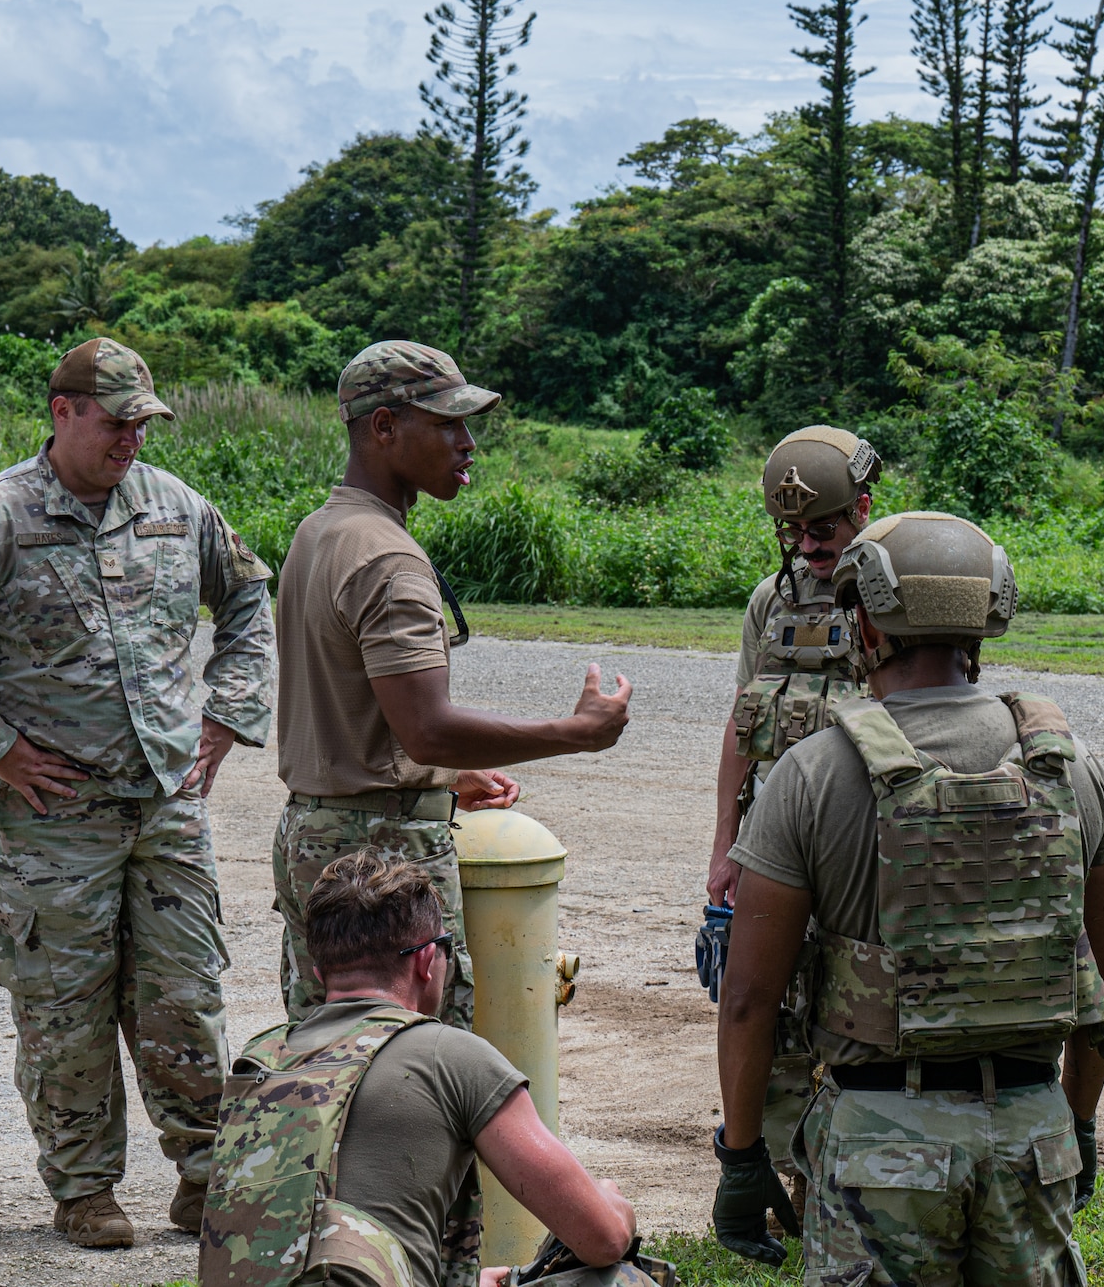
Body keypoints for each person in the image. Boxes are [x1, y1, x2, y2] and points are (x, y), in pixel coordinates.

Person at [0, 338, 276, 1247]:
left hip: (168, 806)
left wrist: (228, 713)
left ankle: (205, 1178)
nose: (133, 438)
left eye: (144, 422)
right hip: (53, 817)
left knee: (185, 992)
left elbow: (252, 600)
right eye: (116, 420)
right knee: (66, 1006)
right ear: (63, 412)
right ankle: (85, 1189)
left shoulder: (178, 509)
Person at [712, 512, 1104, 1283]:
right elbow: (1103, 986)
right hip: (1033, 1134)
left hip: (881, 1142)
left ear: (863, 622)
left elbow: (748, 999)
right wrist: (1080, 1121)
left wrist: (741, 1154)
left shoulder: (813, 772)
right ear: (984, 618)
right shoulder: (1073, 767)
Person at [272, 340, 633, 1033]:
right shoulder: (385, 556)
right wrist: (576, 733)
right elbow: (426, 726)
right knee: (413, 1067)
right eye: (446, 424)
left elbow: (363, 716)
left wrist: (437, 776)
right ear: (383, 427)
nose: (467, 443)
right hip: (380, 850)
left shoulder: (321, 532)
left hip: (315, 830)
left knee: (330, 1060)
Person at [201, 852, 639, 1287]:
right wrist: (613, 1202)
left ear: (319, 972)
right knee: (621, 1279)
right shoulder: (450, 1056)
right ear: (427, 962)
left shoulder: (260, 1058)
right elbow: (603, 1237)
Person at [705, 425, 878, 1209]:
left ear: (863, 512)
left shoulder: (895, 593)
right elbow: (743, 726)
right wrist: (725, 849)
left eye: (824, 529)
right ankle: (779, 1177)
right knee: (767, 1008)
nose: (808, 545)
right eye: (794, 531)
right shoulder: (768, 604)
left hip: (858, 847)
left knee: (849, 1013)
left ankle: (838, 1188)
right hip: (776, 844)